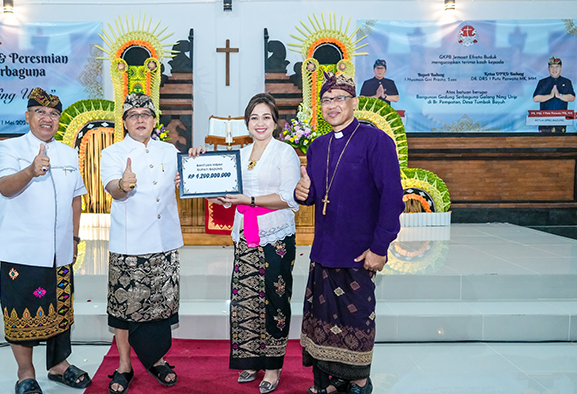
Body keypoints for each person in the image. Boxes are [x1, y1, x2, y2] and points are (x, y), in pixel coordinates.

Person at [295, 73, 405, 394]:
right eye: (327, 100)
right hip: (324, 252)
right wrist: (303, 192)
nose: (332, 106)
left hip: (359, 252)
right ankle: (331, 381)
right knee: (324, 324)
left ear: (354, 103)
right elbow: (316, 194)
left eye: (340, 99)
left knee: (356, 322)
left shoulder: (376, 141)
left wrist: (380, 247)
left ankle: (358, 382)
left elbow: (392, 198)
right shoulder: (317, 146)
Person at [195, 93, 301, 394]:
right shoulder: (239, 155)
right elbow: (225, 198)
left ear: (275, 121)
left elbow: (288, 198)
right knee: (246, 300)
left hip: (275, 236)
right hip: (245, 236)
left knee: (274, 299)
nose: (260, 123)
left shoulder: (285, 153)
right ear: (247, 122)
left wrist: (250, 200)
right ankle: (250, 360)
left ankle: (272, 367)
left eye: (266, 117)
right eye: (254, 117)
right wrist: (197, 182)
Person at [0, 87, 91, 394]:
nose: (47, 119)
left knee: (61, 309)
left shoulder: (67, 152)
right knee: (22, 311)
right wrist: (30, 170)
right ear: (28, 116)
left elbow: (77, 198)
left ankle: (59, 365)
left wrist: (75, 238)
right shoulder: (9, 148)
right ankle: (25, 373)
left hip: (60, 251)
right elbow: (5, 187)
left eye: (53, 114)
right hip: (22, 252)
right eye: (40, 112)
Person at [100, 93, 183, 394]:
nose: (139, 119)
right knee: (124, 306)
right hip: (130, 241)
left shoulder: (170, 151)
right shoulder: (112, 152)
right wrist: (123, 185)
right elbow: (113, 188)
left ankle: (158, 360)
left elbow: (185, 182)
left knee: (161, 304)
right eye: (133, 115)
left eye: (145, 114)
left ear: (153, 120)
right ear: (124, 121)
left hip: (165, 240)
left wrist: (192, 172)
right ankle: (124, 365)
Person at [533, 56, 576, 132]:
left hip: (561, 121)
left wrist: (560, 96)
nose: (554, 69)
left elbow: (572, 97)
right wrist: (550, 96)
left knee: (560, 142)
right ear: (548, 69)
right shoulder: (543, 82)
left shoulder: (567, 82)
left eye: (557, 67)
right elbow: (536, 98)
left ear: (561, 68)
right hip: (545, 122)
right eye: (552, 67)